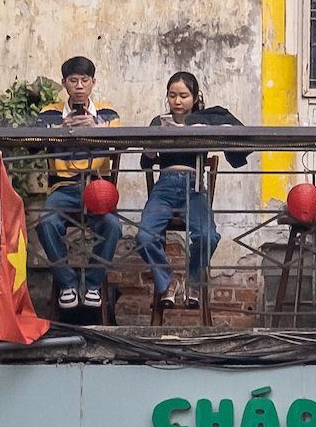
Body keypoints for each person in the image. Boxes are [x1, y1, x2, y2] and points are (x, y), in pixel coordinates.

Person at [136, 71, 251, 308]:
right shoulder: (159, 121)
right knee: (144, 236)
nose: (177, 101)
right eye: (172, 95)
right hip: (165, 186)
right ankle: (167, 281)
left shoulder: (205, 120)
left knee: (208, 236)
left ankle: (193, 280)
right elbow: (145, 163)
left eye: (183, 96)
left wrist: (204, 133)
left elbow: (232, 134)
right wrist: (150, 149)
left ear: (195, 97)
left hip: (194, 184)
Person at [31, 56, 124, 313]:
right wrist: (62, 128)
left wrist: (95, 128)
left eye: (85, 80)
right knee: (46, 223)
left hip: (97, 187)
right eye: (73, 80)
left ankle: (93, 284)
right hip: (63, 187)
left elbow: (120, 142)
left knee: (113, 225)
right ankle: (69, 283)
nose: (79, 86)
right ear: (64, 84)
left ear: (93, 83)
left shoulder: (108, 113)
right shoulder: (49, 114)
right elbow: (31, 143)